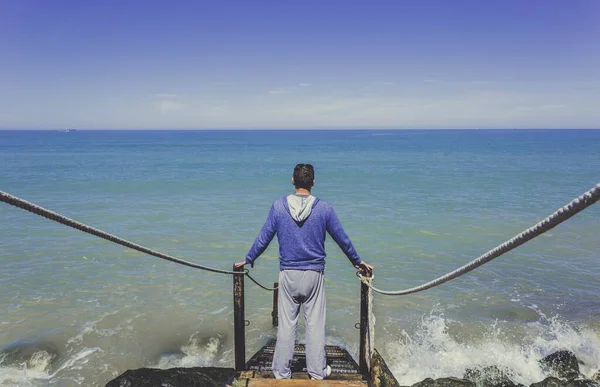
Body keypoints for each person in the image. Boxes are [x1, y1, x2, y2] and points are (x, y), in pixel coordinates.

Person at [234, 163, 373, 380]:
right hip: (314, 275)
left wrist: (249, 258)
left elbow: (264, 237)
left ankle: (281, 372)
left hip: (288, 275)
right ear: (313, 183)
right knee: (315, 326)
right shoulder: (324, 208)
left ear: (293, 180)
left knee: (286, 326)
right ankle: (317, 372)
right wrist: (357, 261)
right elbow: (342, 239)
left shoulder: (279, 207)